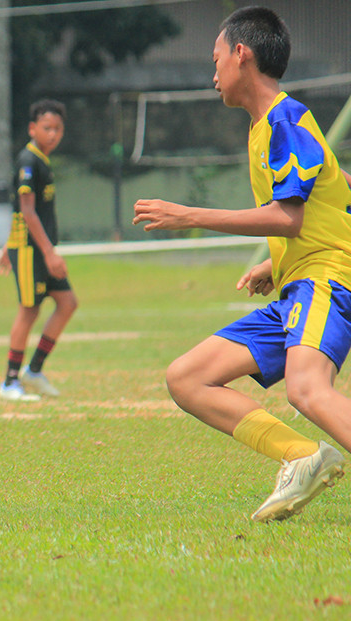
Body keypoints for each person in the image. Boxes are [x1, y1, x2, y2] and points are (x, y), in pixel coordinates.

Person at [133, 6, 350, 522]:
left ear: (241, 54)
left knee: (306, 388)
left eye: (215, 60)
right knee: (187, 377)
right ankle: (301, 457)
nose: (213, 75)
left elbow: (290, 217)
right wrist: (277, 265)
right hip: (298, 284)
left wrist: (187, 214)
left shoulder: (286, 118)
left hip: (327, 281)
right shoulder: (263, 127)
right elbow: (329, 202)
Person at [0, 99, 78, 401]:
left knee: (67, 303)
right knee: (29, 310)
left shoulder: (42, 160)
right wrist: (50, 253)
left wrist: (7, 244)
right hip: (32, 250)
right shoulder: (28, 162)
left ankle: (34, 370)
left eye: (58, 128)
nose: (53, 134)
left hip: (35, 248)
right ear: (33, 129)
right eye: (47, 128)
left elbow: (21, 212)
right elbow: (27, 212)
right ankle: (9, 381)